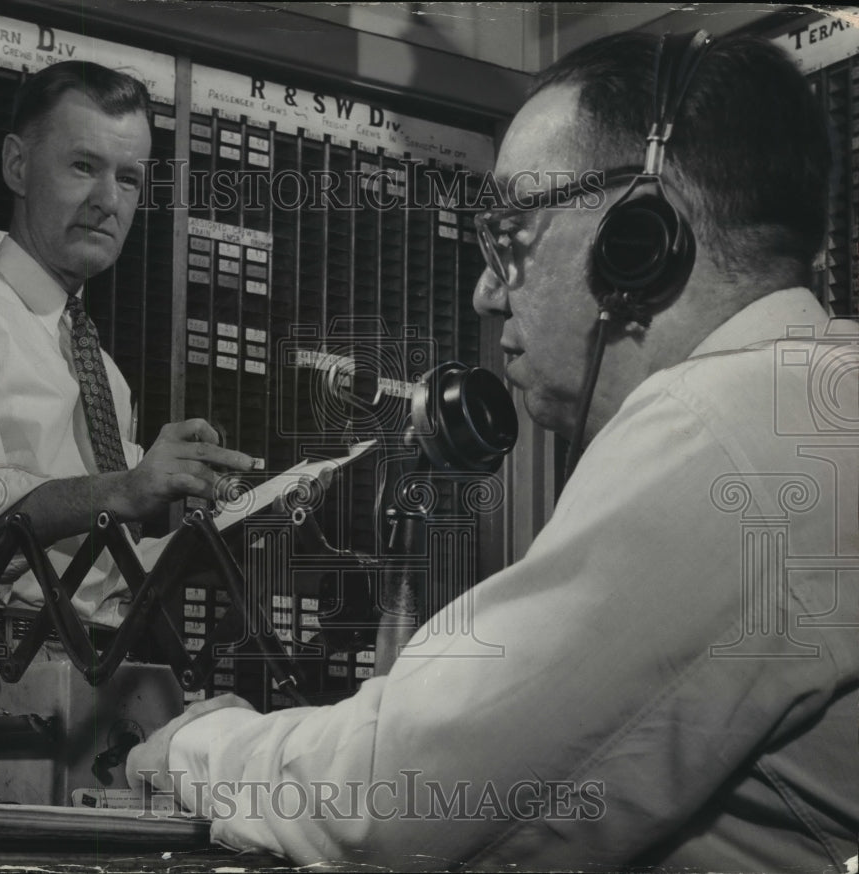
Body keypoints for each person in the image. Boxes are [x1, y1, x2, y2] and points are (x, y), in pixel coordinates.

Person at [125, 31, 859, 872]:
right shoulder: (813, 403)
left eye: (511, 231)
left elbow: (408, 802)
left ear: (642, 237)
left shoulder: (726, 433)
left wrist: (198, 748)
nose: (484, 290)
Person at [0, 61, 253, 794]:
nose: (108, 201)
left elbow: (105, 569)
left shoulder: (104, 372)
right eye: (83, 166)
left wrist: (221, 531)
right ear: (18, 164)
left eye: (130, 179)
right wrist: (125, 486)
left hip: (111, 693)